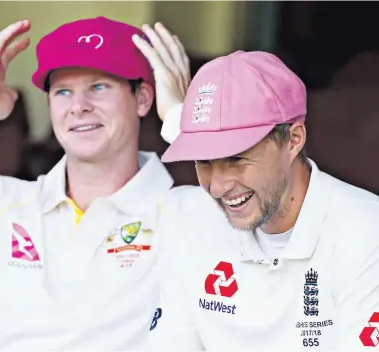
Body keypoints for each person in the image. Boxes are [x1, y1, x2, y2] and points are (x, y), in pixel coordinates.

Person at [0, 17, 206, 351]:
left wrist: (181, 122)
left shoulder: (190, 213)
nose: (78, 107)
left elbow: (286, 207)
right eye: (63, 91)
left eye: (98, 87)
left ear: (144, 99)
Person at [143, 50, 379, 351]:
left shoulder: (364, 233)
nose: (216, 187)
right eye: (203, 161)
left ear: (293, 139)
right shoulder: (190, 219)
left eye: (237, 158)